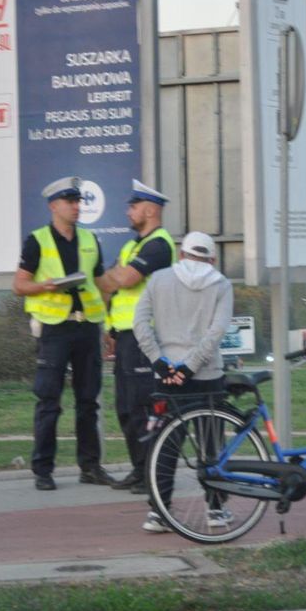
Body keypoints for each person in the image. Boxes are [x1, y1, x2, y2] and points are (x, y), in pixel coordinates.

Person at [12, 176, 115, 491]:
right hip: (55, 329)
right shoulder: (37, 240)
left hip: (86, 327)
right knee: (49, 401)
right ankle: (43, 470)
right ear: (53, 206)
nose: (76, 207)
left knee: (88, 401)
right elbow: (19, 285)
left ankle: (90, 466)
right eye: (70, 202)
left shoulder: (89, 239)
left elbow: (101, 285)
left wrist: (108, 326)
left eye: (78, 201)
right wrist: (46, 286)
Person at [133, 231, 233, 533]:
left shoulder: (158, 280)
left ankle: (159, 512)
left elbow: (140, 324)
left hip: (166, 379)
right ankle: (215, 509)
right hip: (207, 375)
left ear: (181, 254)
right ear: (212, 259)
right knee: (211, 444)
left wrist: (161, 363)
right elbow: (217, 331)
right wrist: (190, 367)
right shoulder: (221, 284)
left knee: (165, 445)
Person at [99, 180, 177, 495]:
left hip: (147, 338)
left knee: (145, 407)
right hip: (125, 337)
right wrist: (110, 328)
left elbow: (126, 278)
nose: (128, 211)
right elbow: (109, 285)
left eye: (133, 206)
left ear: (150, 209)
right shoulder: (131, 246)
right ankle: (138, 468)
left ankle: (152, 474)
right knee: (126, 407)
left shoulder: (159, 244)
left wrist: (108, 276)